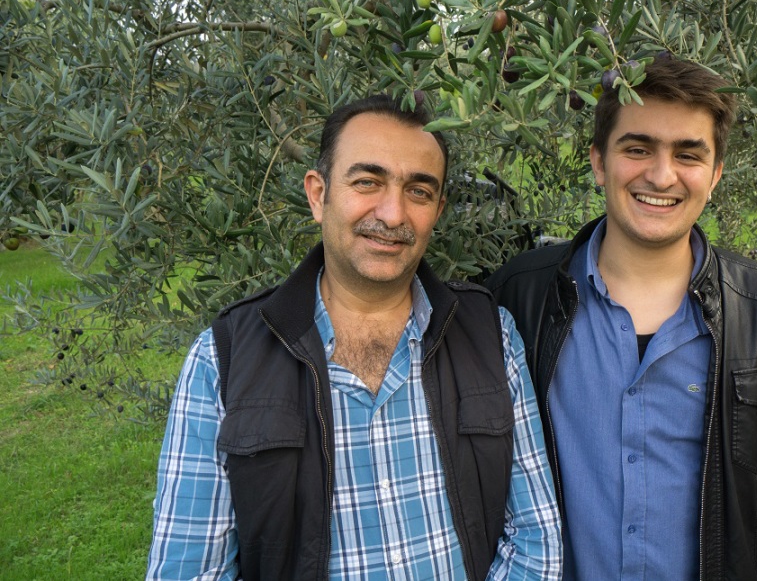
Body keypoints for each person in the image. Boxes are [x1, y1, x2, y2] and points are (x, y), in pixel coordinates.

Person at [147, 95, 562, 580]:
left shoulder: (491, 334)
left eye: (419, 192)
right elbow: (191, 570)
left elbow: (537, 537)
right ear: (318, 194)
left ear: (438, 209)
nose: (392, 214)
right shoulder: (225, 359)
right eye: (368, 182)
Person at [485, 58, 757, 580]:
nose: (661, 175)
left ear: (716, 173)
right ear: (599, 162)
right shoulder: (518, 297)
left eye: (688, 154)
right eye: (637, 148)